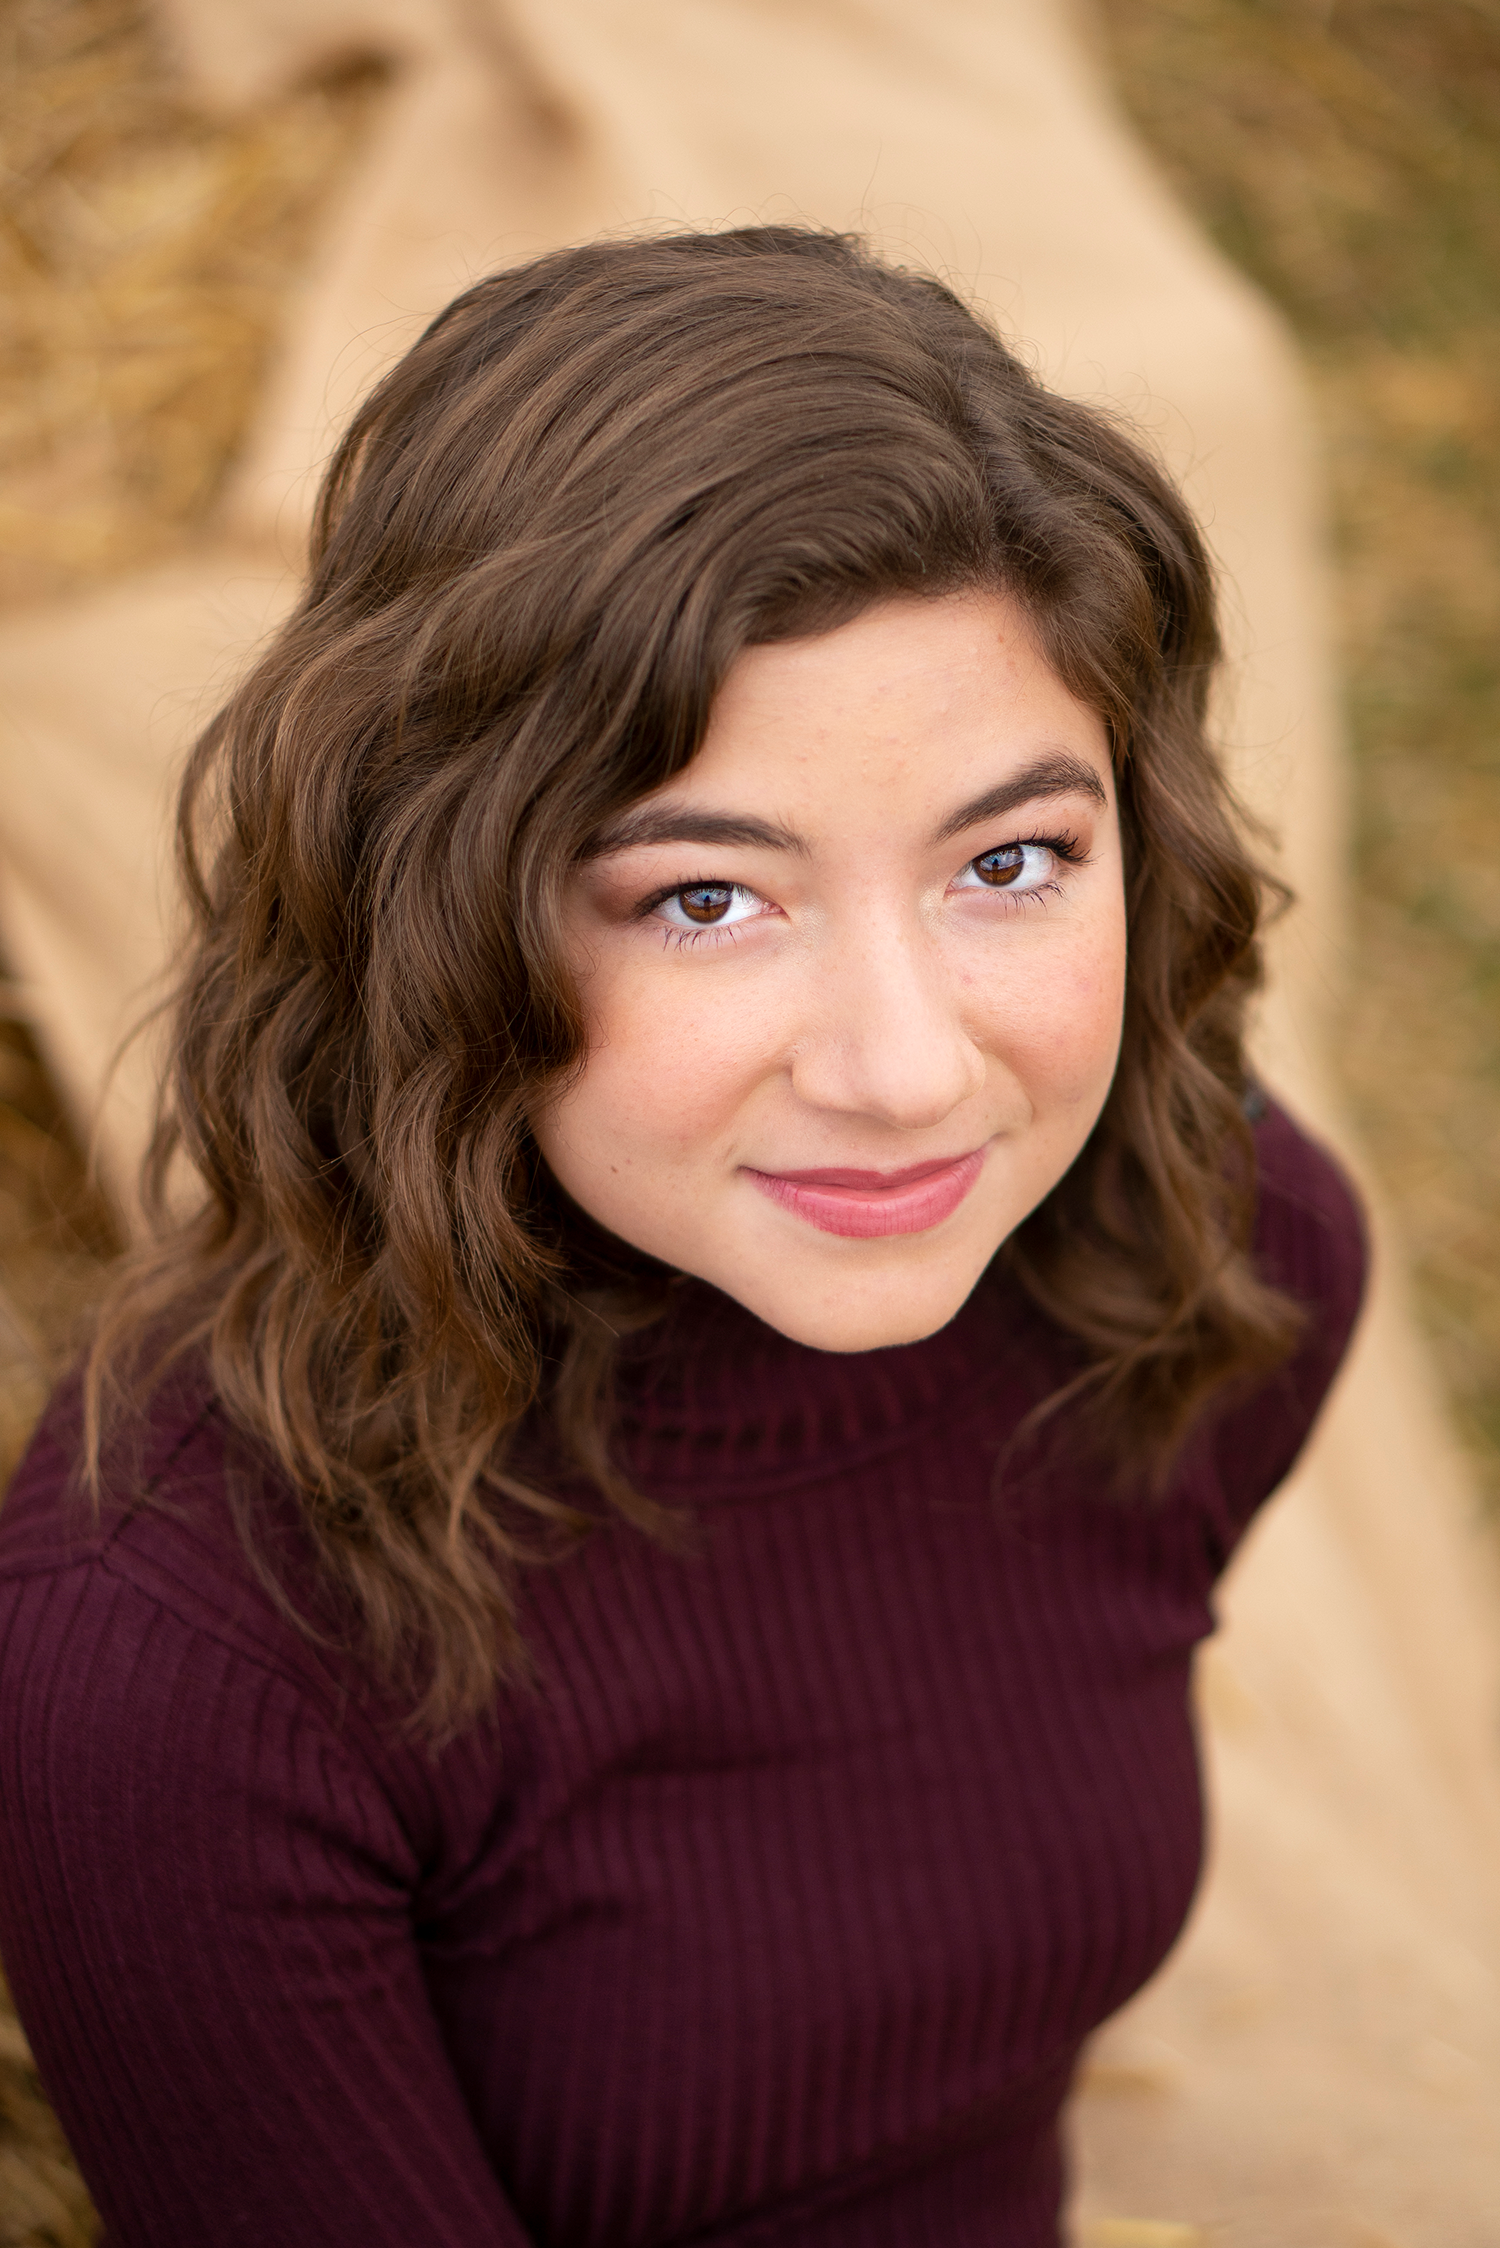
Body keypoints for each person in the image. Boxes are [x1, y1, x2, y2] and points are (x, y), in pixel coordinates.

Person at [0, 228, 1364, 2248]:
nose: (907, 1071)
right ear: (433, 916)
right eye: (707, 899)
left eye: (1010, 860)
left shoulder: (1219, 1259)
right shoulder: (177, 1648)